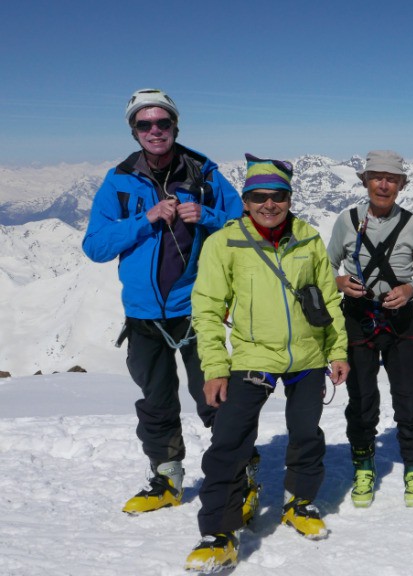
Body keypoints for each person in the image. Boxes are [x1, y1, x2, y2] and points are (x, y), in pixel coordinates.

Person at [184, 155, 350, 572]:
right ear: (245, 200)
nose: (268, 204)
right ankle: (219, 532)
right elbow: (206, 310)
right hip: (253, 355)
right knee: (230, 439)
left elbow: (328, 300)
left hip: (309, 354)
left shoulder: (308, 239)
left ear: (290, 198)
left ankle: (300, 503)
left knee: (306, 433)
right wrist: (215, 367)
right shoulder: (225, 243)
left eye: (277, 196)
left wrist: (338, 351)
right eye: (258, 196)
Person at [82, 88, 243, 515]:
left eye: (163, 122)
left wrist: (205, 217)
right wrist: (145, 219)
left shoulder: (205, 173)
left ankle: (238, 469)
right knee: (156, 401)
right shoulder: (118, 181)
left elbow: (246, 226)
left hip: (196, 309)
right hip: (142, 315)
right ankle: (166, 475)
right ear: (134, 131)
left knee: (213, 393)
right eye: (145, 124)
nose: (155, 131)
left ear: (175, 126)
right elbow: (95, 246)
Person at [326, 150, 413, 509]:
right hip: (357, 317)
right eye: (376, 177)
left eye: (391, 179)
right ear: (365, 181)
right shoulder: (347, 221)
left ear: (401, 184)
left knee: (407, 398)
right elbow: (325, 267)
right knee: (361, 399)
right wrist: (340, 281)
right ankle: (363, 465)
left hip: (400, 320)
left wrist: (408, 289)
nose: (383, 184)